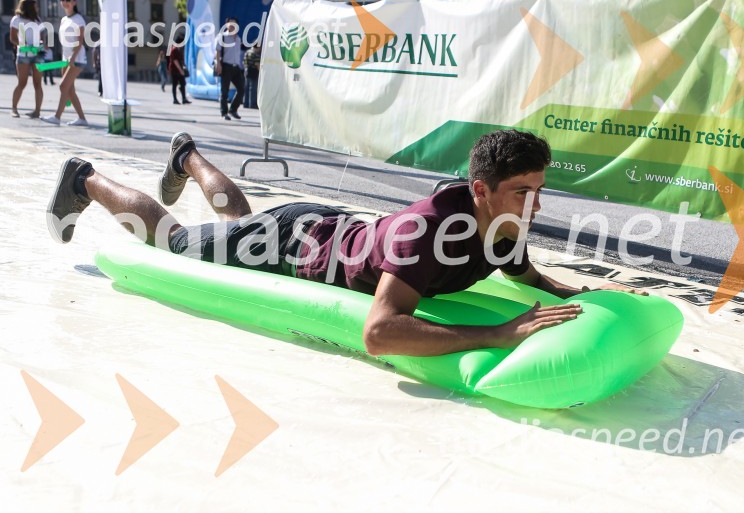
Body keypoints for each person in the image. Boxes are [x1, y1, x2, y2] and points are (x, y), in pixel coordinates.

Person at [47, 129, 644, 357]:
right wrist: (492, 333)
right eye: (522, 191)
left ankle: (187, 157)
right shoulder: (429, 229)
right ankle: (85, 178)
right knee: (173, 241)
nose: (534, 204)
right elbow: (379, 333)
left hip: (327, 226)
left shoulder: (502, 220)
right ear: (480, 189)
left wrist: (585, 292)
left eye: (540, 190)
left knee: (238, 224)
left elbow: (525, 274)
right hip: (292, 244)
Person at [41, 0, 88, 127]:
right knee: (70, 90)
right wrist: (65, 59)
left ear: (74, 2)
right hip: (66, 58)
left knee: (63, 86)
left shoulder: (78, 19)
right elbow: (64, 42)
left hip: (77, 58)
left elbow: (79, 42)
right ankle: (82, 119)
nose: (64, 2)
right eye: (62, 0)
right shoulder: (64, 20)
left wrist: (72, 58)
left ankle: (57, 117)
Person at [9, 0, 45, 119]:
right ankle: (14, 109)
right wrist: (24, 46)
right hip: (23, 55)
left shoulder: (38, 20)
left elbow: (42, 37)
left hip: (37, 56)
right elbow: (13, 38)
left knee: (38, 84)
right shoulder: (17, 19)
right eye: (35, 6)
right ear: (29, 7)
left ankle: (37, 111)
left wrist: (40, 45)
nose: (38, 8)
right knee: (22, 83)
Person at [214, 17, 244, 120]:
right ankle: (224, 112)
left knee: (241, 89)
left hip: (236, 67)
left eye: (234, 24)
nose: (231, 26)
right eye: (230, 24)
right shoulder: (222, 37)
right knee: (225, 91)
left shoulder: (238, 38)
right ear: (226, 25)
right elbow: (217, 51)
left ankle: (233, 110)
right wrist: (218, 64)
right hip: (226, 66)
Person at [168, 34, 190, 105]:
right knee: (175, 84)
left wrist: (183, 66)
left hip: (179, 69)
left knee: (183, 83)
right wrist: (181, 70)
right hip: (174, 70)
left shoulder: (179, 49)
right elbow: (175, 61)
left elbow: (180, 60)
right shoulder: (174, 49)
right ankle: (175, 99)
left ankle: (184, 98)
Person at [243, 43, 261, 109]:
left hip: (247, 71)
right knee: (253, 89)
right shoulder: (255, 54)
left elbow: (244, 62)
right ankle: (252, 104)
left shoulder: (247, 52)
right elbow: (257, 65)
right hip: (254, 72)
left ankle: (245, 103)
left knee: (246, 88)